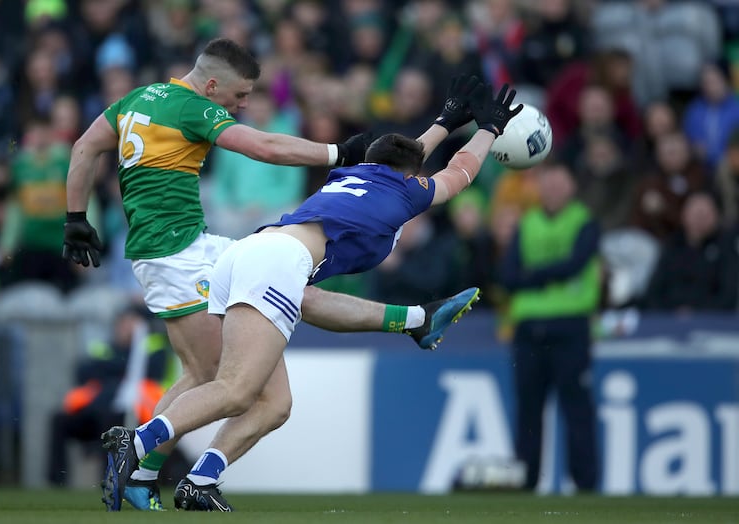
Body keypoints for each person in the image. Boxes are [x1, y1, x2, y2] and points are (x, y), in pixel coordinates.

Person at [62, 38, 482, 511]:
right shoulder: (191, 108)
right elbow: (261, 146)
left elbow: (84, 147)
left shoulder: (137, 99)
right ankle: (139, 453)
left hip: (194, 248)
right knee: (218, 379)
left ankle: (415, 321)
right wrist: (335, 153)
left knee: (273, 389)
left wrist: (76, 216)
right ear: (214, 83)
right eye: (240, 96)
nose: (244, 105)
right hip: (174, 257)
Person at [498, 161, 601, 492]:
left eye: (560, 184)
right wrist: (545, 278)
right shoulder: (527, 223)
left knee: (576, 410)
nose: (554, 191)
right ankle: (526, 483)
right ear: (540, 188)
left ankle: (585, 485)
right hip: (529, 329)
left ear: (572, 188)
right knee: (528, 411)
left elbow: (576, 265)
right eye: (549, 185)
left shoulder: (584, 222)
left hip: (571, 326)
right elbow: (508, 277)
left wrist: (533, 277)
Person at [47, 304, 171, 487]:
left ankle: (110, 479)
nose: (125, 327)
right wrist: (121, 367)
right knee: (59, 419)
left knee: (111, 421)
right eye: (122, 322)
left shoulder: (154, 347)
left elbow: (152, 371)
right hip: (97, 408)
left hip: (138, 413)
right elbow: (83, 371)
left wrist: (113, 367)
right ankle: (56, 481)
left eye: (131, 322)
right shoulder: (105, 346)